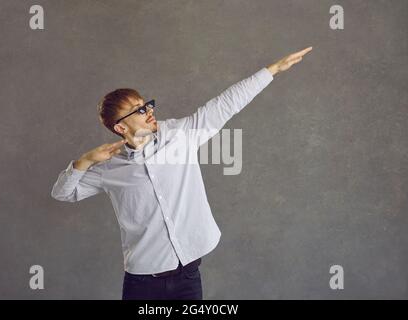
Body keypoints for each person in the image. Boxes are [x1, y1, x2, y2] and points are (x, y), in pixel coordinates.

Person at [51, 47, 313, 300]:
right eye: (139, 110)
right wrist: (84, 161)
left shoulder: (179, 136)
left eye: (147, 105)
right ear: (120, 128)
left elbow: (224, 105)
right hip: (141, 280)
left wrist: (273, 70)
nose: (149, 112)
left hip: (188, 275)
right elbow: (63, 193)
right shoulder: (108, 168)